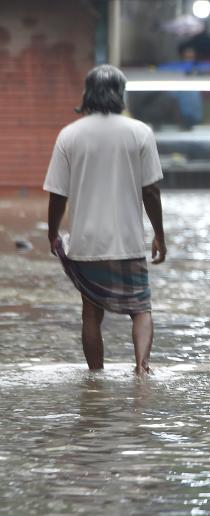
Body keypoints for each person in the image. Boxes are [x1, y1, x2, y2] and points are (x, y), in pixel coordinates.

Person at [44, 65, 167, 376]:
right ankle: (142, 369)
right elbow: (150, 191)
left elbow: (57, 194)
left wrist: (52, 233)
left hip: (86, 244)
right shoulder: (140, 132)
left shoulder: (69, 135)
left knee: (90, 313)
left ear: (88, 93)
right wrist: (159, 236)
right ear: (120, 94)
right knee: (141, 309)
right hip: (127, 242)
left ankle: (95, 379)